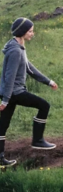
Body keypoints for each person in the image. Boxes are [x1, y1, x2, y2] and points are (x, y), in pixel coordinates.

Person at [0, 17, 58, 167]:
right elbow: (9, 76)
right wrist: (6, 100)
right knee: (44, 106)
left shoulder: (18, 47)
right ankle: (38, 140)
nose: (32, 33)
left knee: (2, 125)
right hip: (15, 93)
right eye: (30, 31)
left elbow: (29, 68)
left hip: (11, 93)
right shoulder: (15, 51)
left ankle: (0, 158)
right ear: (22, 32)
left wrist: (48, 81)